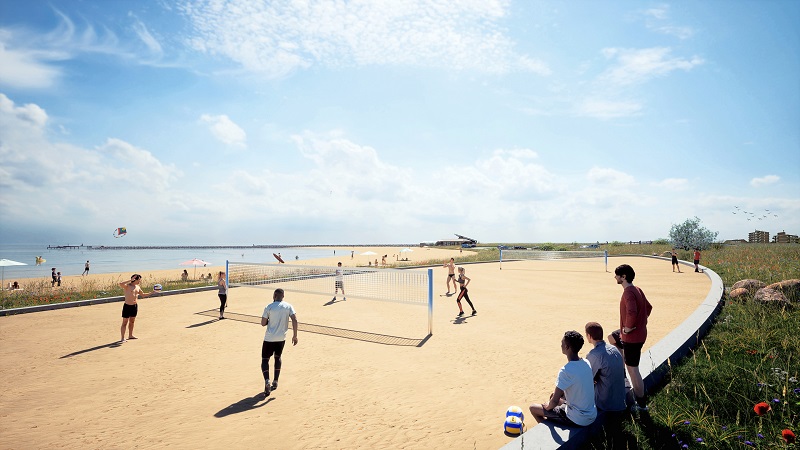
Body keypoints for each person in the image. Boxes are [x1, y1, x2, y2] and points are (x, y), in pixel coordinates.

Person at [529, 331, 597, 426]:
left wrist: (547, 407)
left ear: (567, 347)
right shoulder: (586, 362)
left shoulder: (566, 370)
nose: (561, 345)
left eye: (562, 343)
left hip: (578, 419)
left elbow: (554, 401)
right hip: (591, 413)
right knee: (554, 396)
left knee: (533, 408)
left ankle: (548, 428)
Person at [609, 264, 653, 411]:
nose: (615, 277)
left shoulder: (628, 292)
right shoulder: (637, 289)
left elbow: (632, 312)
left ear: (624, 277)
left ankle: (641, 405)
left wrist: (628, 328)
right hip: (636, 333)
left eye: (617, 275)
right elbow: (649, 307)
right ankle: (622, 372)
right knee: (612, 337)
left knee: (633, 370)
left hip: (632, 338)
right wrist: (640, 322)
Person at [261, 288, 298, 396]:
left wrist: (268, 320)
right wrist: (295, 336)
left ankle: (267, 380)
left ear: (274, 296)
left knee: (265, 360)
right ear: (283, 296)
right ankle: (275, 381)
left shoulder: (269, 307)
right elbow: (295, 320)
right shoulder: (288, 306)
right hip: (281, 338)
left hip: (269, 338)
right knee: (278, 357)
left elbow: (263, 323)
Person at [584, 322, 627, 412]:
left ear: (589, 336)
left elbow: (587, 381)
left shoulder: (594, 355)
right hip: (620, 398)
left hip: (606, 403)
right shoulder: (614, 348)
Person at [118, 273, 158, 343]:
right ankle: (122, 338)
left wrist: (152, 293)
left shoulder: (137, 287)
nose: (140, 281)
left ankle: (130, 335)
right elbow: (120, 284)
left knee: (132, 321)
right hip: (127, 306)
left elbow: (143, 295)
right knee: (125, 322)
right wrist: (130, 280)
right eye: (139, 280)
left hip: (134, 306)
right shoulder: (127, 286)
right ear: (134, 279)